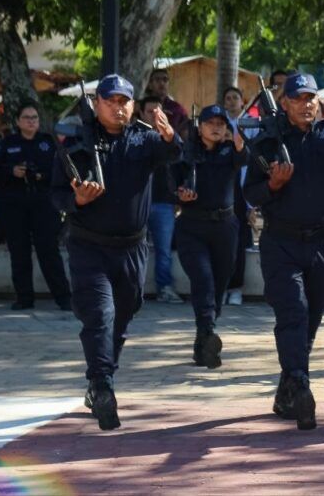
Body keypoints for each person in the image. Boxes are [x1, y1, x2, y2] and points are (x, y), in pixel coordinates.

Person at [50, 74, 180, 431]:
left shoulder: (143, 139)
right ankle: (103, 385)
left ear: (133, 105)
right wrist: (76, 200)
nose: (118, 107)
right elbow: (56, 193)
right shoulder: (75, 142)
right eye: (111, 101)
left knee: (123, 315)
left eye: (125, 101)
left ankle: (100, 377)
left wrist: (170, 136)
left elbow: (175, 155)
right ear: (97, 104)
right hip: (89, 245)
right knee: (100, 315)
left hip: (132, 247)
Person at [243, 72, 324, 431]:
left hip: (323, 239)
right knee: (293, 312)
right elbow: (251, 194)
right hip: (281, 241)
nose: (306, 103)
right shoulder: (266, 141)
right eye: (298, 98)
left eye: (311, 97)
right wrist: (273, 184)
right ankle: (300, 384)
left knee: (312, 312)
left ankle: (287, 386)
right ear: (284, 103)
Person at [171, 105, 246, 368]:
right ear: (199, 127)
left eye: (221, 123)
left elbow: (244, 157)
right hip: (192, 226)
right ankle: (207, 332)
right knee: (202, 279)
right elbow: (170, 185)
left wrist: (238, 140)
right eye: (210, 123)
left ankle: (203, 339)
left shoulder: (230, 151)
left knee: (219, 284)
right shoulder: (185, 152)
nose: (216, 127)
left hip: (225, 226)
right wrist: (180, 195)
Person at [0, 102, 72, 311]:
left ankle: (64, 298)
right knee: (19, 252)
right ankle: (24, 298)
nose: (31, 121)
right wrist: (11, 172)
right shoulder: (7, 143)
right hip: (14, 204)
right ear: (18, 121)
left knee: (49, 251)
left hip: (43, 203)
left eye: (34, 118)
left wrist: (40, 175)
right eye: (26, 118)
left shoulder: (48, 143)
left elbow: (61, 172)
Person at [140, 96, 183, 305]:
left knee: (163, 251)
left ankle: (164, 288)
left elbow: (180, 162)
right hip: (138, 202)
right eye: (150, 111)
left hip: (164, 202)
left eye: (159, 111)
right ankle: (130, 290)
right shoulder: (135, 136)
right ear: (140, 113)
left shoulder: (171, 138)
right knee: (133, 248)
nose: (155, 115)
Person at [222, 85, 251, 305]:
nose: (231, 101)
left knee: (239, 242)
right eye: (228, 98)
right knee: (222, 243)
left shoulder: (252, 123)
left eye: (235, 97)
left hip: (244, 189)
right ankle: (222, 286)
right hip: (222, 188)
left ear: (243, 101)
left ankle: (236, 288)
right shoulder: (217, 124)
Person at [146, 68, 189, 136]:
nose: (162, 83)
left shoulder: (178, 109)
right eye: (157, 80)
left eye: (165, 80)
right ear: (150, 85)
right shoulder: (143, 106)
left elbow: (185, 135)